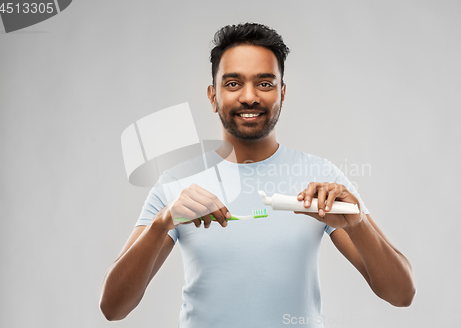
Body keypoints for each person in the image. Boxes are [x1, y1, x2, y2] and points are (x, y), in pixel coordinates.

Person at [100, 23, 416, 327]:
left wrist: (357, 223)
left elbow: (401, 294)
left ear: (282, 93)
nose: (250, 96)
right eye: (233, 83)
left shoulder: (320, 178)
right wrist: (163, 222)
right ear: (213, 96)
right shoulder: (177, 183)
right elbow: (113, 308)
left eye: (265, 83)